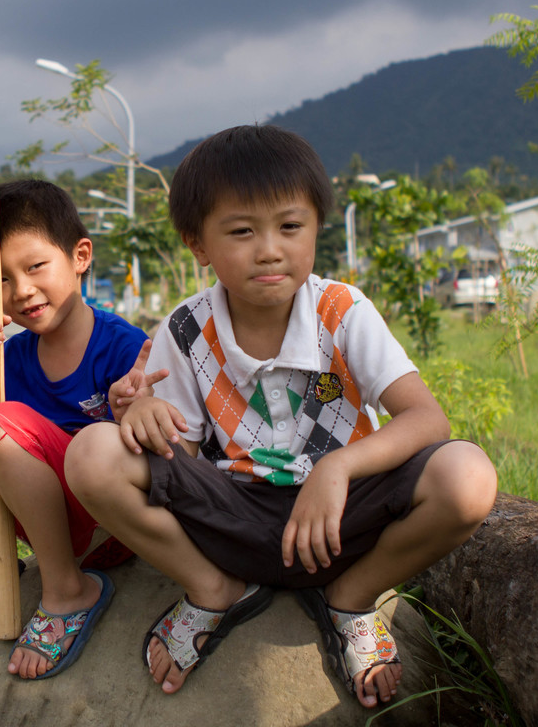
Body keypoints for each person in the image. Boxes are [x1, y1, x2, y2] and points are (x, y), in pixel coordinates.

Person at [65, 125, 497, 707]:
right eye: (242, 232)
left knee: (468, 475)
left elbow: (426, 419)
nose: (270, 249)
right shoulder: (189, 327)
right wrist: (143, 418)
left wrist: (337, 469)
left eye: (290, 227)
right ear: (198, 244)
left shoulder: (341, 311)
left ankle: (352, 596)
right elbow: (183, 458)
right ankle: (211, 588)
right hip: (234, 517)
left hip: (346, 522)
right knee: (92, 452)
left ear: (316, 227)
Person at [0, 179, 152, 680]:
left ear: (80, 256)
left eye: (35, 267)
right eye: (0, 279)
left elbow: (156, 451)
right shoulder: (10, 358)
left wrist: (132, 407)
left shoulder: (123, 346)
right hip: (34, 513)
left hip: (109, 527)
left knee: (2, 422)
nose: (21, 290)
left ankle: (69, 589)